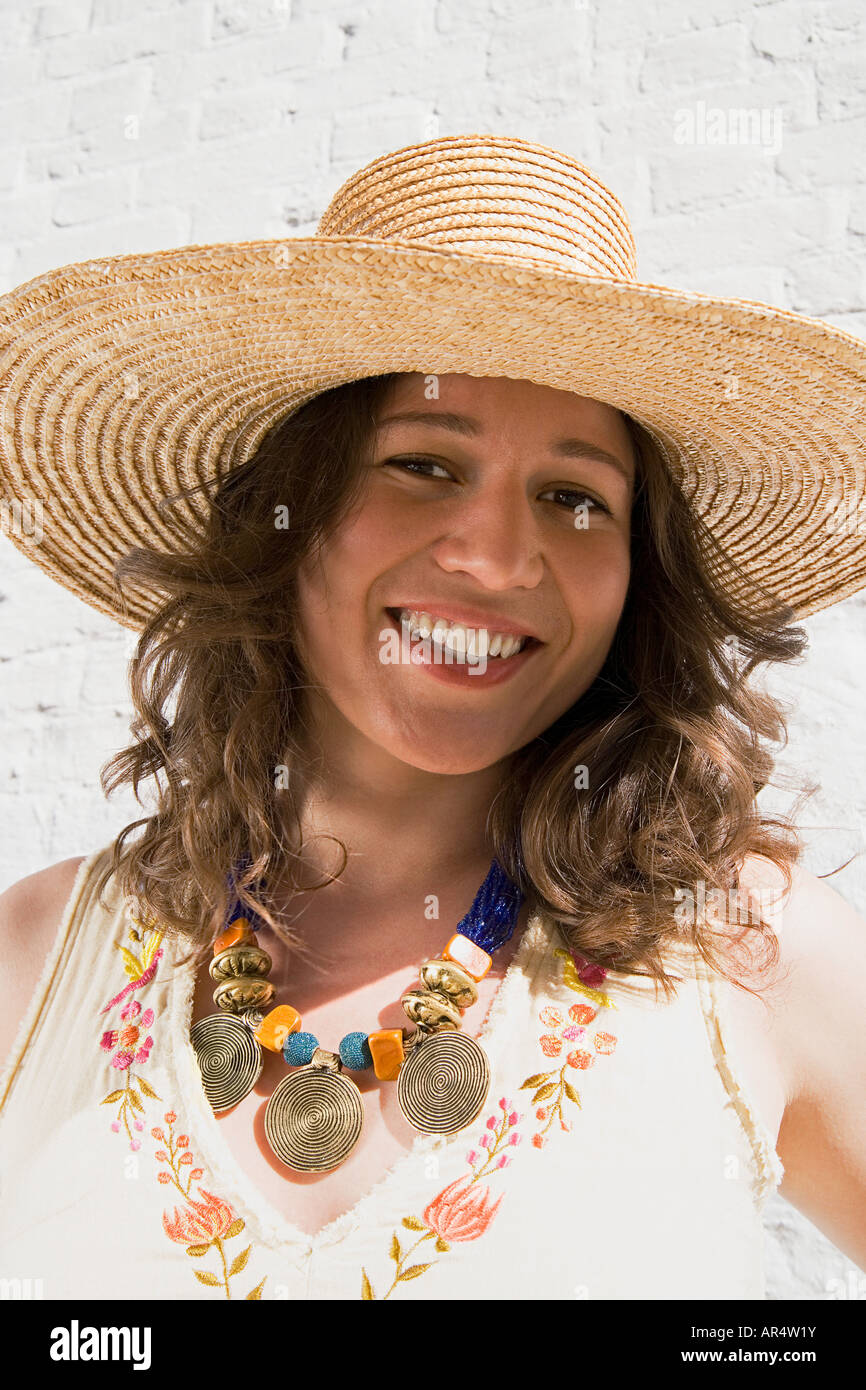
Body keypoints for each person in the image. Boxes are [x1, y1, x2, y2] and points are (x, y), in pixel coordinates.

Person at [0, 134, 865, 1302]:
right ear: (282, 515)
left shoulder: (749, 953)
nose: (499, 557)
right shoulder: (41, 956)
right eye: (423, 464)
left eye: (572, 497)